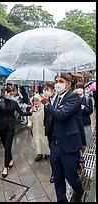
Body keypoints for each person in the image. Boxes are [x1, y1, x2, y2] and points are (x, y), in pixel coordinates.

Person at [40, 73, 86, 202]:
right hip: (55, 145)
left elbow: (63, 114)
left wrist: (47, 105)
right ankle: (61, 200)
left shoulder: (74, 97)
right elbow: (52, 118)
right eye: (56, 81)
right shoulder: (56, 99)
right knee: (58, 177)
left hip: (69, 145)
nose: (57, 84)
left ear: (68, 84)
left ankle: (79, 192)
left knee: (71, 176)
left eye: (60, 81)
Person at [0, 86, 32, 178]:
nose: (10, 95)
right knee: (5, 146)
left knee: (8, 145)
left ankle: (5, 167)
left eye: (12, 94)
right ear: (5, 93)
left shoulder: (14, 103)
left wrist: (31, 112)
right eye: (9, 93)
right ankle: (10, 158)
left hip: (10, 127)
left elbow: (21, 113)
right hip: (1, 127)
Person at [27, 94, 50, 162]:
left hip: (43, 128)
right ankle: (39, 154)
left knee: (44, 141)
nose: (36, 102)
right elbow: (29, 118)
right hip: (35, 128)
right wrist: (30, 123)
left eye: (37, 101)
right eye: (34, 101)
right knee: (36, 141)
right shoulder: (32, 109)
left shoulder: (44, 108)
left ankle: (46, 153)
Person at [43, 81, 57, 183]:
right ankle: (54, 172)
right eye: (45, 89)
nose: (46, 91)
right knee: (53, 153)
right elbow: (46, 115)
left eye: (47, 89)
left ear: (53, 90)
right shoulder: (45, 101)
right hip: (49, 130)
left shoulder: (59, 100)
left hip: (59, 131)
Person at [74, 82, 93, 147]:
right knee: (77, 141)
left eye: (81, 88)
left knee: (87, 141)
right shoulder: (73, 99)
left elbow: (90, 111)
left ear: (83, 89)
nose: (79, 89)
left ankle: (86, 153)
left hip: (85, 123)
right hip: (76, 123)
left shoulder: (88, 99)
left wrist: (83, 107)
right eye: (78, 88)